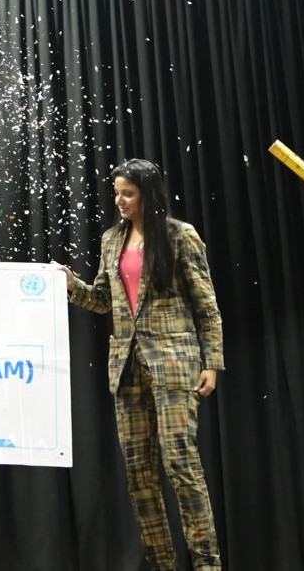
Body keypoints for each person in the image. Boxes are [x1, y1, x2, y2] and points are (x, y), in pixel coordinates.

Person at [59, 158, 224, 571]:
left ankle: (207, 564)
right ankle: (162, 563)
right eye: (116, 193)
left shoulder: (180, 235)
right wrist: (72, 285)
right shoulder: (111, 240)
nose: (120, 201)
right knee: (139, 473)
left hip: (174, 362)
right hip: (127, 366)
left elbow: (206, 305)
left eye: (128, 194)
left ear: (148, 194)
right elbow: (103, 300)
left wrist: (212, 362)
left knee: (180, 463)